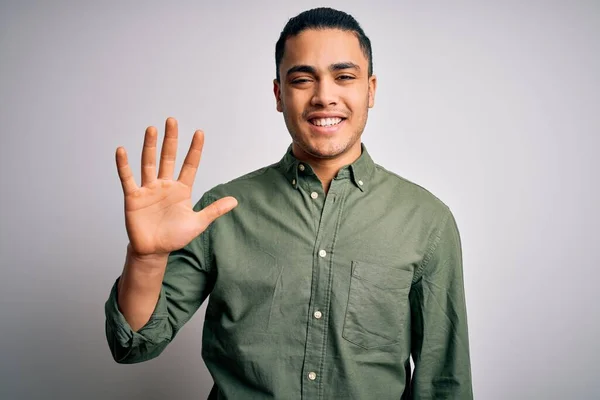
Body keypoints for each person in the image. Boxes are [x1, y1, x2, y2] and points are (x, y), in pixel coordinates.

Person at [105, 7, 473, 399]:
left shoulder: (426, 221)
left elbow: (443, 384)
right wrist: (145, 260)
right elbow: (134, 344)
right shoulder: (224, 210)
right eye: (302, 79)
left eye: (344, 76)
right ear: (279, 94)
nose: (324, 96)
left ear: (371, 90)